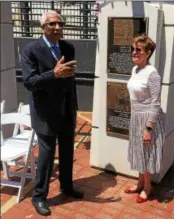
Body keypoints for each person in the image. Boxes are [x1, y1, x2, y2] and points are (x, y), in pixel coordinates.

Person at [21, 10, 84, 216]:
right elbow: (29, 83)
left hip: (66, 110)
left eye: (60, 24)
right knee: (46, 157)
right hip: (45, 113)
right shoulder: (31, 50)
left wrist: (73, 106)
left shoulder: (68, 47)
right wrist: (53, 74)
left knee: (67, 152)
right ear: (43, 27)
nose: (58, 28)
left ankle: (67, 186)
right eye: (52, 24)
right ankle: (39, 196)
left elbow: (71, 79)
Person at [126, 35, 165, 203]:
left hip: (148, 119)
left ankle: (148, 187)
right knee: (138, 151)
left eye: (138, 50)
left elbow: (156, 103)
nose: (134, 52)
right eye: (133, 49)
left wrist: (149, 128)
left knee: (147, 153)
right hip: (136, 117)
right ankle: (140, 182)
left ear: (148, 53)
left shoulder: (152, 73)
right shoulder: (135, 69)